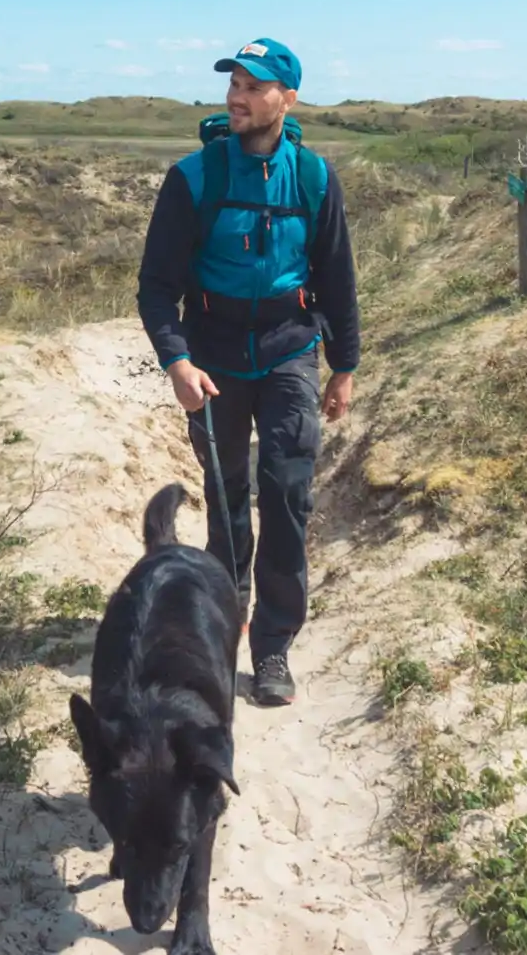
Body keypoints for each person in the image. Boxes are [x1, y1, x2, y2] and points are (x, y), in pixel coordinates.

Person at [136, 39, 360, 707]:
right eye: (232, 81)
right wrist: (176, 360)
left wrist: (343, 366)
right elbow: (155, 286)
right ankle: (224, 623)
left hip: (291, 348)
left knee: (288, 492)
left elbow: (339, 282)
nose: (236, 95)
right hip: (211, 356)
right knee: (228, 494)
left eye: (253, 85)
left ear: (286, 98)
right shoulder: (194, 178)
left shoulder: (314, 178)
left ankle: (272, 649)